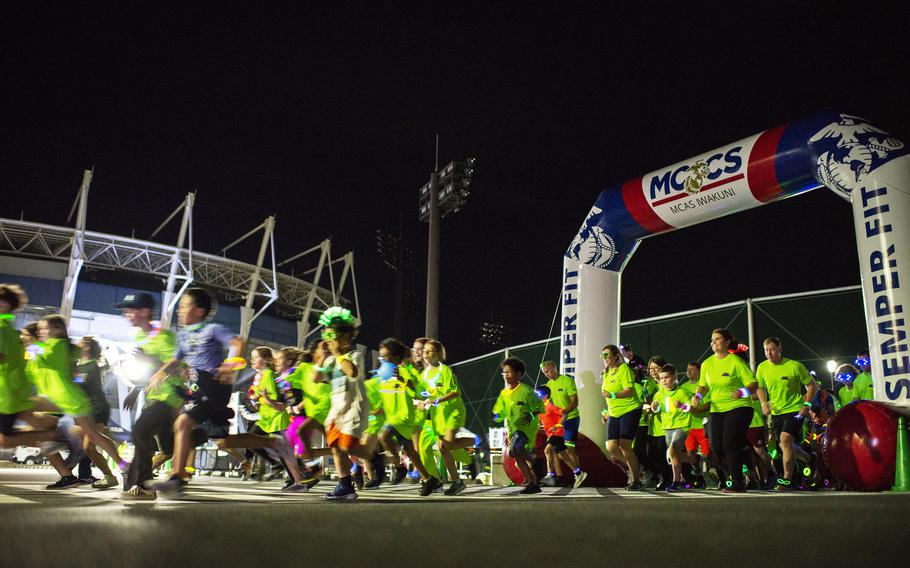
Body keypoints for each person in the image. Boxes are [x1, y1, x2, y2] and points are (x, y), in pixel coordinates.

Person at [152, 288, 303, 497]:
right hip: (199, 389)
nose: (180, 310)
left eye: (185, 306)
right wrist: (160, 374)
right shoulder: (183, 335)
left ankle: (177, 478)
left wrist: (229, 365)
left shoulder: (212, 329)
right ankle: (273, 442)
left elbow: (237, 342)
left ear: (199, 311)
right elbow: (176, 359)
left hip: (214, 386)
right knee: (224, 441)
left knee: (182, 423)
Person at [29, 314, 126, 489]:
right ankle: (120, 466)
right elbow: (34, 370)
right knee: (91, 439)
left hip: (69, 400)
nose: (40, 331)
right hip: (62, 399)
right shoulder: (59, 347)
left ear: (57, 329)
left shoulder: (57, 346)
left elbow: (47, 360)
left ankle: (119, 466)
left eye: (44, 328)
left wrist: (31, 345)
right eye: (39, 329)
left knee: (91, 440)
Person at [114, 292, 185, 500]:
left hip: (170, 397)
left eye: (131, 310)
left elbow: (177, 368)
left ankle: (143, 485)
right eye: (125, 311)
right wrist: (135, 391)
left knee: (139, 431)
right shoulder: (140, 336)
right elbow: (147, 370)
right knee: (161, 444)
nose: (127, 314)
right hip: (153, 396)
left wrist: (151, 359)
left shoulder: (165, 337)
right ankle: (140, 483)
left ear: (145, 312)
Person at [691, 329, 758, 493]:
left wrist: (742, 392)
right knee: (717, 447)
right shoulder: (707, 364)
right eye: (712, 339)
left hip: (739, 407)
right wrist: (697, 397)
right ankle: (744, 457)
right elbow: (703, 386)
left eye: (717, 339)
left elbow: (753, 384)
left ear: (727, 342)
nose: (713, 342)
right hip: (717, 409)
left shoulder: (735, 361)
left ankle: (738, 483)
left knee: (730, 442)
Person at [316, 307, 373, 500]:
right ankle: (345, 485)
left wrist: (339, 354)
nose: (332, 341)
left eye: (336, 336)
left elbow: (352, 372)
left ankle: (376, 458)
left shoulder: (353, 356)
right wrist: (321, 357)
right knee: (335, 446)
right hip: (337, 409)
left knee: (346, 446)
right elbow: (316, 378)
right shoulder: (330, 360)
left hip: (353, 408)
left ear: (347, 337)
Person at [375, 337, 442, 496]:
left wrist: (402, 379)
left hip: (405, 418)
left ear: (395, 356)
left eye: (385, 356)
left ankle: (399, 467)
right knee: (411, 452)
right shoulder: (385, 373)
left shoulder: (407, 370)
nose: (383, 359)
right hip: (393, 416)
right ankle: (430, 480)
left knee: (383, 436)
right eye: (381, 356)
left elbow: (418, 389)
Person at [0, 285, 59, 451]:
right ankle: (55, 435)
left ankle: (56, 435)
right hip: (13, 391)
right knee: (22, 422)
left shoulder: (3, 328)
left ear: (4, 305)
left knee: (5, 440)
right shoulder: (8, 328)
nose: (25, 338)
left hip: (9, 393)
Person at [756, 337, 818, 491]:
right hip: (776, 412)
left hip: (795, 410)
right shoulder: (762, 368)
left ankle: (786, 479)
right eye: (765, 350)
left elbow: (812, 386)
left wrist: (807, 404)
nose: (769, 353)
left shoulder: (794, 366)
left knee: (785, 439)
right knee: (784, 445)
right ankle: (808, 458)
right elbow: (760, 388)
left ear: (779, 349)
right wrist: (764, 403)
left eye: (772, 349)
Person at [421, 339, 473, 496]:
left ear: (438, 354)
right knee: (444, 448)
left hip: (453, 411)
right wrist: (421, 399)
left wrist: (436, 400)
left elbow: (455, 392)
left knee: (446, 445)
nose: (426, 354)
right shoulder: (424, 375)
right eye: (424, 351)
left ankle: (472, 442)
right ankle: (457, 482)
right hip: (439, 415)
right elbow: (426, 393)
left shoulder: (445, 371)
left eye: (430, 351)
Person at [72, 336, 119, 489]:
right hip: (88, 409)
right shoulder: (82, 365)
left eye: (79, 344)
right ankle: (111, 475)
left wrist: (70, 376)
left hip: (97, 409)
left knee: (90, 445)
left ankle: (122, 468)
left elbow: (80, 384)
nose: (77, 346)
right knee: (89, 447)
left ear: (86, 347)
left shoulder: (90, 366)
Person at [492, 357, 544, 494]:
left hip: (526, 430)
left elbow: (540, 406)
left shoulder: (526, 391)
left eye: (509, 372)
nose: (506, 375)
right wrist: (496, 416)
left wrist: (531, 415)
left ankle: (535, 468)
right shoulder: (504, 394)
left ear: (518, 374)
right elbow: (499, 412)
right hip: (513, 430)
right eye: (504, 373)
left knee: (515, 449)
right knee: (514, 453)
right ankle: (533, 480)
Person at [601, 344, 643, 490]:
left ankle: (636, 480)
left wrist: (612, 394)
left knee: (625, 445)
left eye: (606, 355)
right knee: (611, 447)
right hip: (614, 412)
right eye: (602, 356)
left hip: (629, 409)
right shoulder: (606, 373)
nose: (604, 358)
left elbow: (629, 391)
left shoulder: (624, 369)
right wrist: (607, 412)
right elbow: (608, 397)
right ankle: (633, 466)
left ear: (615, 356)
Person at [539, 360, 585, 487]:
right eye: (544, 373)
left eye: (547, 371)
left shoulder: (567, 381)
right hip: (558, 423)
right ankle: (565, 476)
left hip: (571, 418)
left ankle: (577, 476)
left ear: (554, 368)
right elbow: (548, 406)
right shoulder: (548, 385)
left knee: (569, 448)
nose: (546, 374)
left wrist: (563, 412)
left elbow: (574, 401)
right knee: (557, 451)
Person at [649, 364, 692, 492]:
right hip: (667, 426)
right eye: (661, 378)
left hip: (682, 425)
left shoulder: (682, 392)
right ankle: (694, 460)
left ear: (674, 377)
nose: (664, 381)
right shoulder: (659, 394)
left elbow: (691, 408)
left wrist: (682, 406)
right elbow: (656, 410)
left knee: (672, 450)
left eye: (666, 377)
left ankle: (676, 481)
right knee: (674, 455)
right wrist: (654, 407)